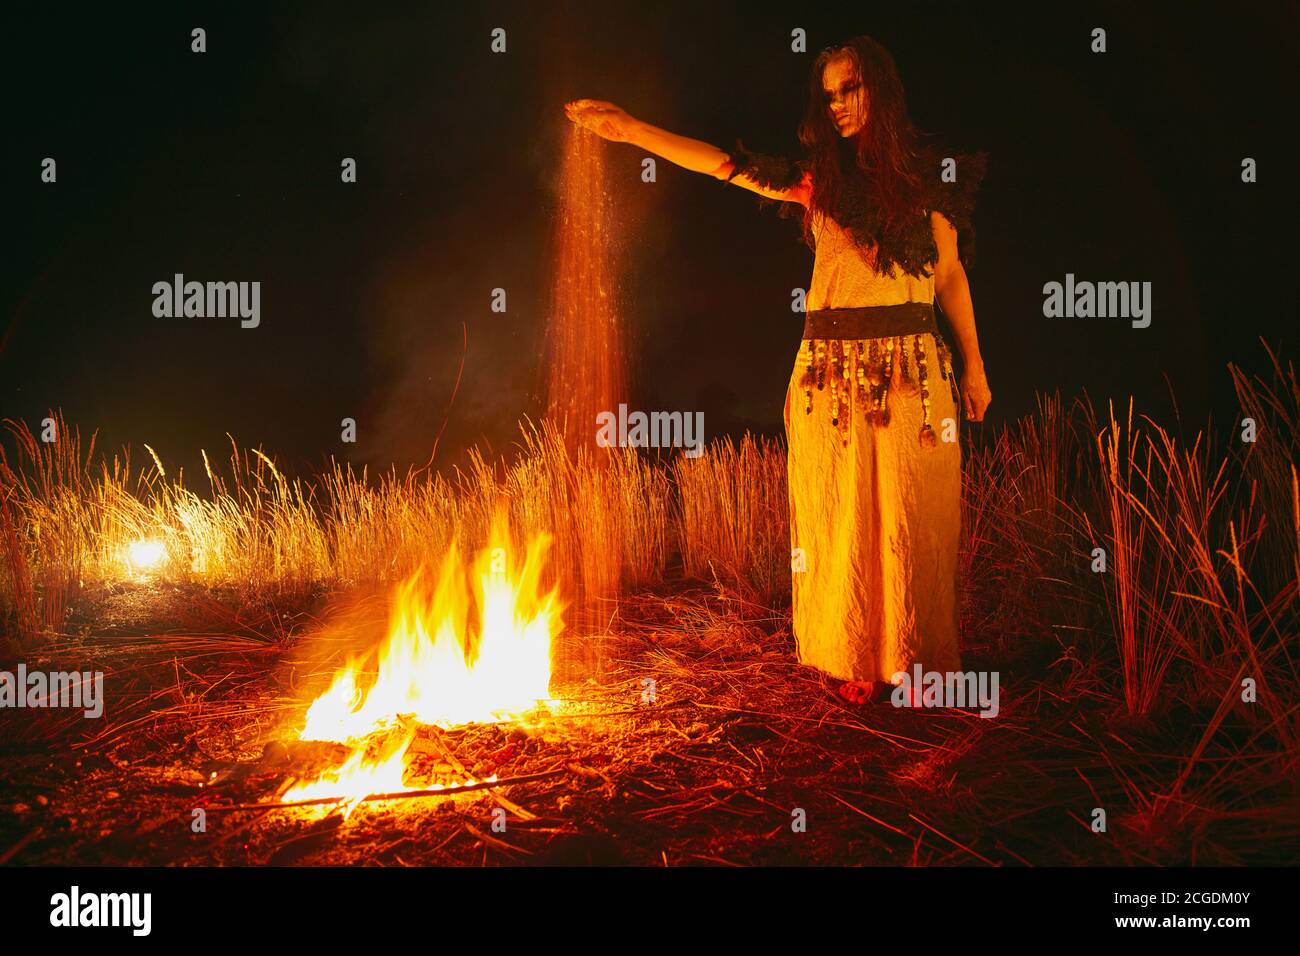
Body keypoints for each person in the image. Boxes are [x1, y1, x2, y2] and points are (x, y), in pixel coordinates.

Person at [565, 34, 991, 706]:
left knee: (913, 514)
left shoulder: (932, 179)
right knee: (842, 515)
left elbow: (952, 277)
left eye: (851, 88)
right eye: (829, 96)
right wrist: (633, 130)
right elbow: (726, 167)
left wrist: (975, 367)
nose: (840, 105)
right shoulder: (822, 181)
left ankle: (914, 660)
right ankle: (853, 654)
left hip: (912, 371)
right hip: (833, 374)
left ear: (880, 87)